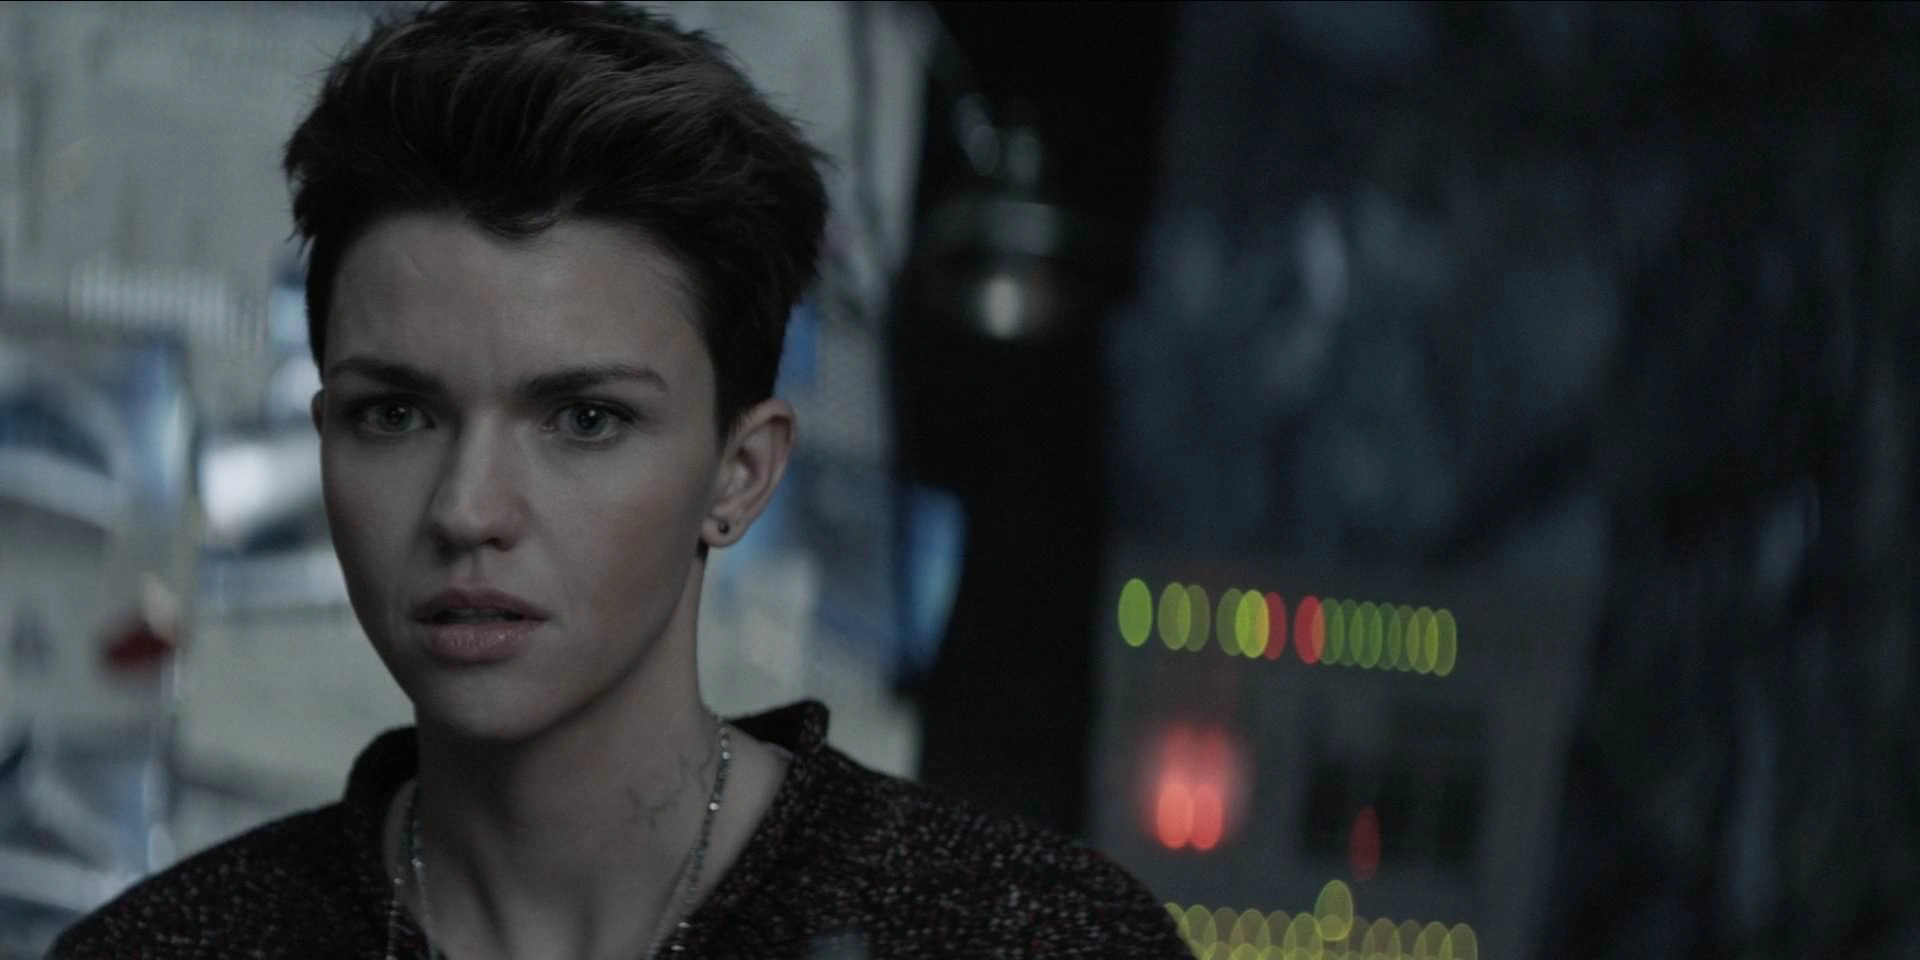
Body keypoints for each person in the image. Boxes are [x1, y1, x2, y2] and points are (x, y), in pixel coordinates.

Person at [51, 3, 1184, 958]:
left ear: (740, 473)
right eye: (395, 414)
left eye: (585, 420)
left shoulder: (1020, 935)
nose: (467, 510)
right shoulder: (171, 947)